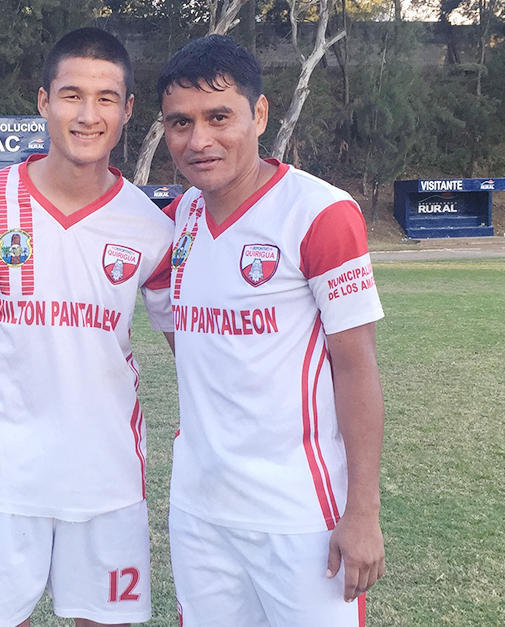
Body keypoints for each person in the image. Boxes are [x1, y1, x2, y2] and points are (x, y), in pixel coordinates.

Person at [0, 27, 174, 627]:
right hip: (5, 474)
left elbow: (191, 346)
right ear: (42, 100)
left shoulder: (151, 227)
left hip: (107, 477)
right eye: (71, 95)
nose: (88, 115)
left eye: (106, 98)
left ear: (129, 110)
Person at [157, 35, 386, 626]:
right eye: (180, 123)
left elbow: (357, 368)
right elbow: (190, 343)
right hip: (200, 511)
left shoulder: (320, 214)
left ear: (259, 115)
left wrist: (362, 512)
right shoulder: (177, 220)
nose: (198, 140)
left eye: (219, 117)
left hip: (299, 512)